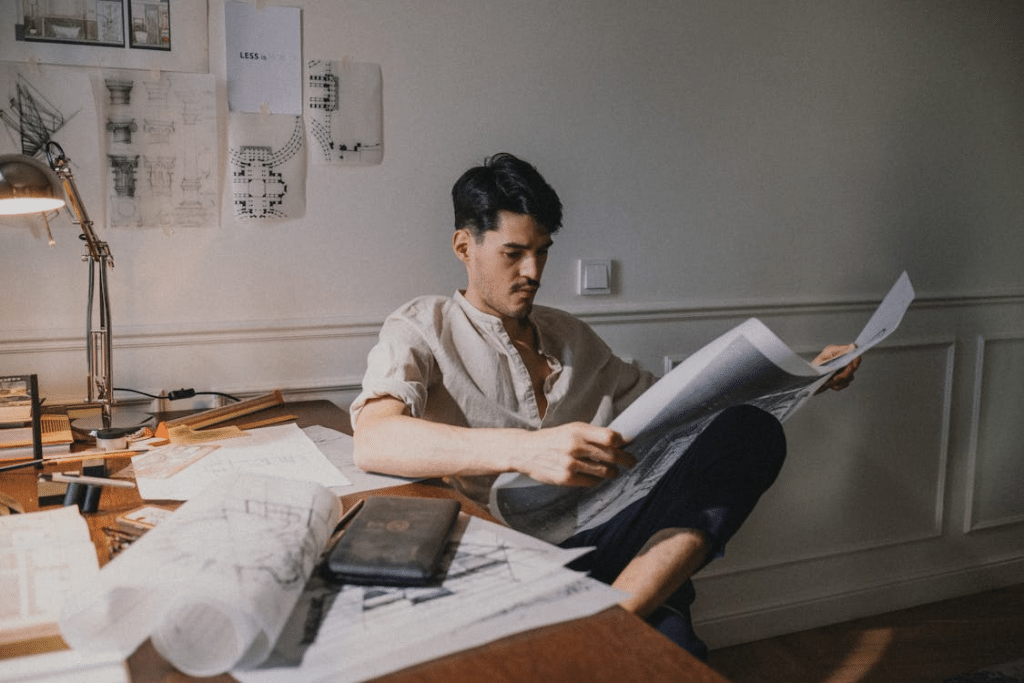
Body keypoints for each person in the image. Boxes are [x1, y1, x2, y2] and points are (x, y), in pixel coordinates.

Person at [350, 152, 860, 660]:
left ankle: (609, 614)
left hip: (610, 533)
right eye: (513, 253)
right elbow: (375, 439)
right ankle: (617, 618)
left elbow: (681, 407)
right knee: (669, 656)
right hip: (511, 556)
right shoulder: (422, 327)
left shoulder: (569, 334)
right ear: (465, 246)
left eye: (542, 251)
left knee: (751, 432)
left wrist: (805, 377)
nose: (533, 271)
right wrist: (525, 451)